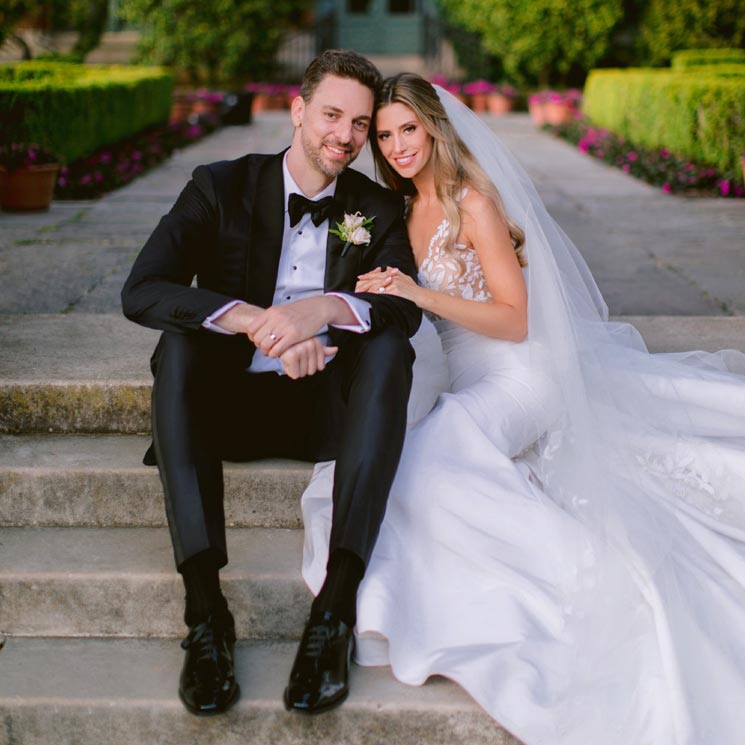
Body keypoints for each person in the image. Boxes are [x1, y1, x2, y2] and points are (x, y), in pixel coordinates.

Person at [300, 72, 745, 744]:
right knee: (386, 451)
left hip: (518, 373)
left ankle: (568, 576)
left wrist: (420, 297)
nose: (395, 146)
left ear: (434, 128)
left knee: (433, 449)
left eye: (407, 130)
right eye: (384, 134)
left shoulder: (471, 203)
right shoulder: (389, 212)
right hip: (461, 376)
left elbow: (513, 319)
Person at [120, 51, 422, 717]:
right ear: (297, 110)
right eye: (331, 115)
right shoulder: (219, 185)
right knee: (178, 346)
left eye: (359, 123)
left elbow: (405, 307)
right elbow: (142, 289)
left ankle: (333, 614)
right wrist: (254, 321)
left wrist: (321, 312)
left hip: (326, 410)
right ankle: (205, 615)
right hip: (230, 409)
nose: (343, 135)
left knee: (389, 350)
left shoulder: (375, 207)